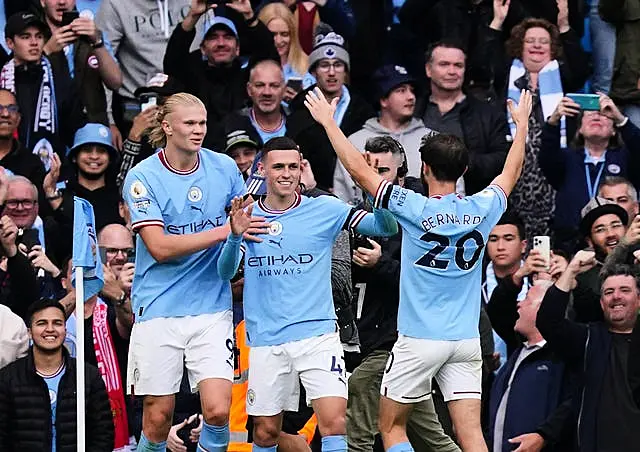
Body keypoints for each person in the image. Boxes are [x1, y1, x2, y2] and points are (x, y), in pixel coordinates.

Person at [304, 85, 532, 452]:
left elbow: (361, 173)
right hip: (465, 340)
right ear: (465, 170)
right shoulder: (485, 206)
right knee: (470, 433)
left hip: (419, 340)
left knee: (391, 426)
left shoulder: (414, 207)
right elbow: (512, 170)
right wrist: (520, 126)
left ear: (424, 168)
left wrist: (330, 125)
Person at [216, 135, 397, 452]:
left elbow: (386, 227)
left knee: (335, 423)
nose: (286, 173)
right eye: (278, 167)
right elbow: (226, 273)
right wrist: (234, 236)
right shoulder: (248, 215)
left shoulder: (325, 208)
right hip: (266, 338)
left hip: (317, 335)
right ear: (262, 169)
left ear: (301, 169)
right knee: (265, 432)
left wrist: (372, 187)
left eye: (292, 166)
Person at [122, 92, 267, 452]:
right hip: (158, 307)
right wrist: (226, 230)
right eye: (189, 123)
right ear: (167, 127)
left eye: (202, 123)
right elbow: (160, 247)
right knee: (157, 416)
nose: (198, 130)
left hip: (211, 307)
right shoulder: (143, 177)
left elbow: (240, 231)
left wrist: (236, 238)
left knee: (218, 410)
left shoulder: (223, 168)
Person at [346, 136, 459, 452]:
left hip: (401, 342)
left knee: (358, 427)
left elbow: (431, 282)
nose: (374, 176)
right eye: (368, 168)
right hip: (362, 342)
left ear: (401, 175)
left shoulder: (420, 218)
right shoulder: (352, 217)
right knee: (428, 436)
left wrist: (381, 263)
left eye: (382, 170)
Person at [482, 0, 589, 240]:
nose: (537, 46)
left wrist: (563, 24)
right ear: (520, 46)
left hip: (553, 171)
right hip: (515, 168)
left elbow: (582, 67)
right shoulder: (507, 74)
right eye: (530, 41)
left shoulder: (564, 75)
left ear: (553, 48)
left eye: (544, 41)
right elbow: (483, 62)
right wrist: (497, 22)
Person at [537, 253, 640, 452]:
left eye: (625, 290)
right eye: (609, 292)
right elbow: (548, 322)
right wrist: (571, 270)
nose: (616, 296)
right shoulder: (588, 338)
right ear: (601, 303)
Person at [0, 298, 114, 450]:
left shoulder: (87, 375)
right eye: (42, 323)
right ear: (29, 332)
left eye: (57, 323)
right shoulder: (8, 378)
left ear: (65, 330)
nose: (50, 329)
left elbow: (103, 433)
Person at [163, 0, 278, 147]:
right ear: (203, 49)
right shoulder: (192, 76)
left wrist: (250, 16)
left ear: (238, 48)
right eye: (213, 37)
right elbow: (173, 61)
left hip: (242, 152)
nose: (221, 43)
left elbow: (269, 56)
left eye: (228, 37)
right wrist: (192, 16)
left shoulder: (247, 76)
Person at [541, 93, 640, 252]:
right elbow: (546, 156)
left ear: (614, 130)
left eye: (604, 113)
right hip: (570, 244)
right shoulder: (566, 158)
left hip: (618, 242)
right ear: (579, 129)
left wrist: (621, 119)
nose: (597, 116)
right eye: (589, 113)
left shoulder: (626, 158)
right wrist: (554, 120)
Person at [486, 280, 574, 452]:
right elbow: (497, 310)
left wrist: (544, 436)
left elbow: (573, 406)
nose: (519, 304)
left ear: (545, 308)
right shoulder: (518, 352)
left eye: (526, 298)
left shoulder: (564, 355)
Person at [413, 40, 510, 197]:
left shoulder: (488, 113)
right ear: (428, 69)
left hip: (473, 206)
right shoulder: (413, 109)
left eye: (458, 65)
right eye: (444, 64)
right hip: (417, 206)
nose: (452, 71)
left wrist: (459, 162)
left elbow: (503, 159)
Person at [334, 64, 433, 206]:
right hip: (366, 224)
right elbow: (341, 197)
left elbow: (452, 189)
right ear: (383, 100)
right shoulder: (355, 141)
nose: (411, 97)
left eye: (412, 91)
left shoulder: (430, 139)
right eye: (401, 91)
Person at [287, 32, 373, 191]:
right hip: (313, 193)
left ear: (346, 71)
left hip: (357, 191)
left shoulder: (364, 110)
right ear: (313, 71)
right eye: (325, 65)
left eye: (338, 64)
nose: (332, 72)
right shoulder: (299, 109)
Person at [1, 12, 86, 167]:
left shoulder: (59, 81)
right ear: (10, 43)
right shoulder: (2, 80)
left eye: (39, 36)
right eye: (25, 37)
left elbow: (75, 129)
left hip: (50, 172)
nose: (34, 42)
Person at [40, 0, 123, 125]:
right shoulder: (33, 34)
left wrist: (97, 43)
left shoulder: (92, 32)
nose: (62, 2)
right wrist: (47, 51)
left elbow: (116, 82)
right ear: (42, 1)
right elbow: (22, 82)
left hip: (90, 126)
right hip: (50, 123)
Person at [52, 123, 122, 231]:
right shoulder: (61, 194)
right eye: (87, 150)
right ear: (75, 157)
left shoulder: (119, 197)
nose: (94, 156)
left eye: (101, 151)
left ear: (110, 158)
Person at [572, 197, 628, 323]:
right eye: (600, 229)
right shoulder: (583, 277)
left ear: (626, 230)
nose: (610, 234)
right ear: (589, 241)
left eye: (616, 225)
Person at [258, 3, 315, 103]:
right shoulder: (248, 69)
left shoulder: (309, 69)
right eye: (272, 34)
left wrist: (300, 100)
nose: (279, 41)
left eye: (284, 34)